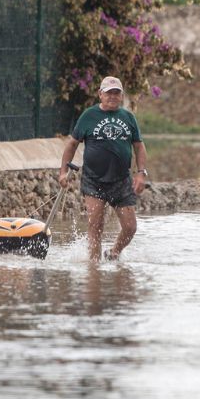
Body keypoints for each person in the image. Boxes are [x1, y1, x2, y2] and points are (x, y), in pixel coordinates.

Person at [58, 76, 148, 261]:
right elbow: (72, 144)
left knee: (130, 227)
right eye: (109, 93)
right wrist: (63, 172)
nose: (113, 96)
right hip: (94, 180)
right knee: (96, 225)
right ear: (100, 94)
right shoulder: (89, 116)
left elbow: (139, 146)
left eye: (116, 93)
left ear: (121, 96)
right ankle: (94, 269)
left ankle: (114, 253)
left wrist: (141, 173)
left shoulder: (128, 117)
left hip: (121, 180)